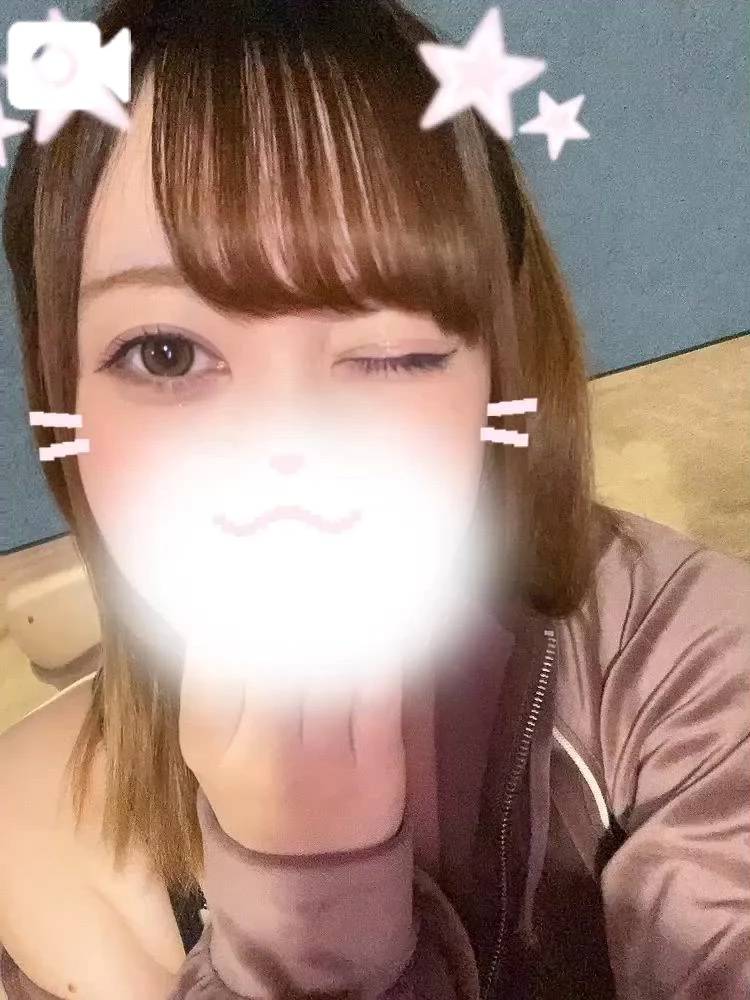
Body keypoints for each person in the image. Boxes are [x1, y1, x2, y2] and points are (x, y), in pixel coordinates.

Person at [1, 1, 748, 998]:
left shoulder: (691, 670)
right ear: (63, 399)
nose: (287, 450)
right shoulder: (37, 840)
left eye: (390, 352)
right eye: (165, 353)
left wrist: (306, 903)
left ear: (500, 374)